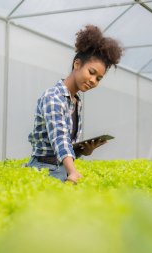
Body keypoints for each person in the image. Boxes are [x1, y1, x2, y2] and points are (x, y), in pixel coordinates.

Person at [27, 25, 123, 183]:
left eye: (99, 78)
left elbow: (66, 144)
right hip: (44, 169)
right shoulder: (53, 97)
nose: (93, 80)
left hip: (62, 169)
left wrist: (83, 151)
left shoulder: (76, 102)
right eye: (91, 72)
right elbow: (59, 138)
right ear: (77, 64)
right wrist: (73, 172)